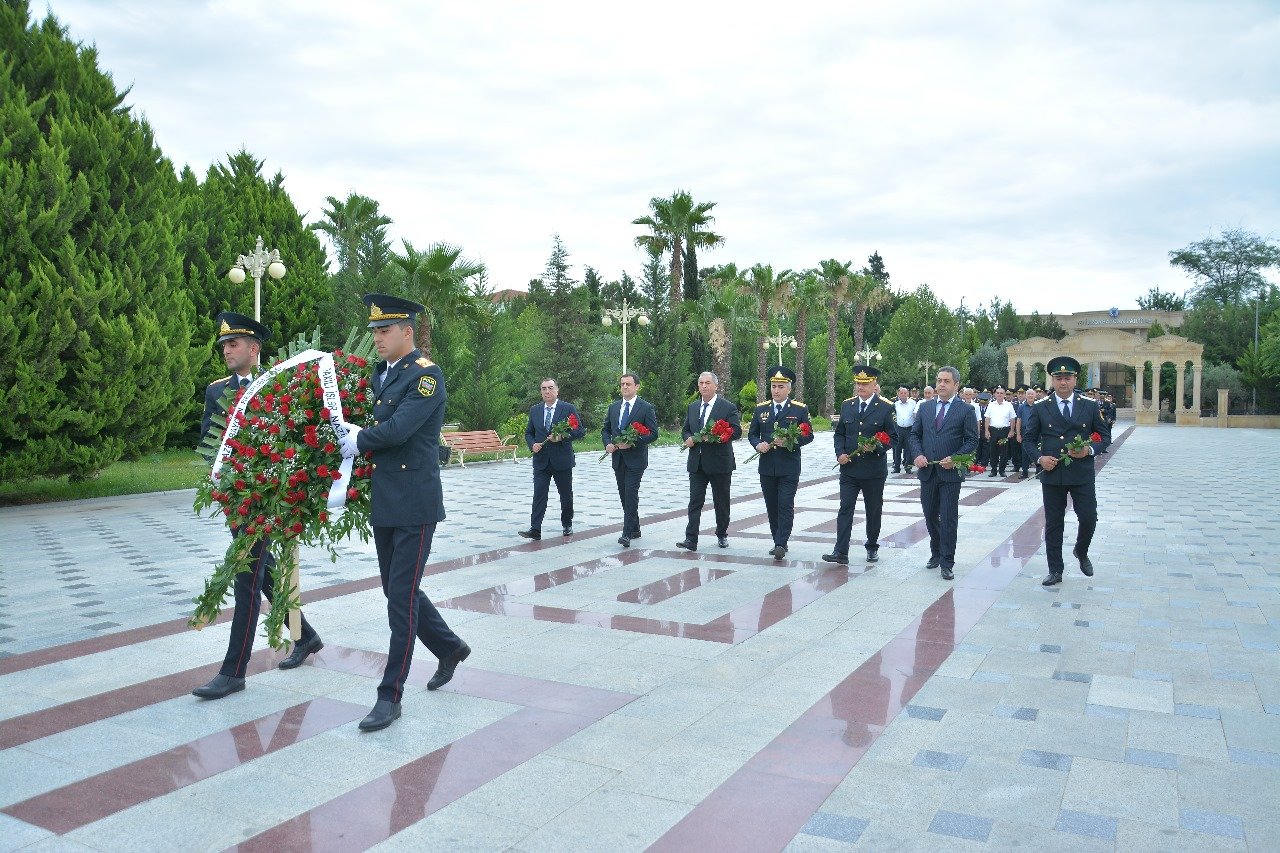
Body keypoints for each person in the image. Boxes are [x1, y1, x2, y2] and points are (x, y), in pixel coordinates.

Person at [338, 294, 469, 732]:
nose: (376, 338)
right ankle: (448, 647)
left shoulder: (426, 377)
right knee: (400, 591)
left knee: (400, 599)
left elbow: (396, 431)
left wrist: (356, 440)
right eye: (374, 331)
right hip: (386, 500)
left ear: (407, 332)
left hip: (414, 503)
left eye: (384, 331)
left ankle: (389, 695)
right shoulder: (382, 374)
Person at [192, 312, 324, 700]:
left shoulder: (279, 384)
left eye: (233, 344)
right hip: (238, 499)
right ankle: (308, 637)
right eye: (224, 346)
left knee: (245, 576)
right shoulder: (217, 390)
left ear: (254, 348)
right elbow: (208, 444)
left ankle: (233, 672)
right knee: (259, 569)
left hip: (271, 498)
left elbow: (296, 438)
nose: (227, 351)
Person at [1021, 356, 1111, 587]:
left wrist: (1089, 449)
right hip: (1053, 474)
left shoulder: (1089, 406)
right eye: (1058, 378)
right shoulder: (1041, 408)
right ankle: (1055, 569)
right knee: (1054, 522)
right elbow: (1028, 440)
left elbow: (1105, 436)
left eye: (1067, 378)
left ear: (1075, 379)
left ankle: (1081, 551)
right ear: (1052, 380)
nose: (1063, 382)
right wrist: (1040, 458)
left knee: (1089, 517)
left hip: (1081, 473)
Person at [908, 366, 978, 581]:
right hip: (928, 471)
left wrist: (956, 458)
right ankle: (936, 552)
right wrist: (917, 454)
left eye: (946, 381)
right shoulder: (926, 408)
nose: (941, 384)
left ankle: (947, 561)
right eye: (939, 380)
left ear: (956, 385)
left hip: (950, 474)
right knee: (930, 515)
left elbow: (972, 440)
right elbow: (914, 435)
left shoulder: (966, 410)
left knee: (948, 518)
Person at [824, 365, 895, 565]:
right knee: (845, 508)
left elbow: (893, 438)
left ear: (874, 385)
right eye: (858, 383)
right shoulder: (848, 405)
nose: (860, 387)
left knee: (873, 510)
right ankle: (841, 551)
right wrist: (840, 453)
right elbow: (840, 434)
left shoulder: (885, 407)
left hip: (873, 471)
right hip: (850, 470)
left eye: (865, 384)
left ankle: (872, 546)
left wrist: (877, 448)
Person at [747, 366, 814, 560]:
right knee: (772, 505)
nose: (776, 390)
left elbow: (808, 435)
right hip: (767, 466)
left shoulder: (799, 409)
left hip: (789, 466)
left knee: (785, 503)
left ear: (789, 389)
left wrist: (789, 442)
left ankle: (781, 543)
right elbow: (752, 434)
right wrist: (757, 444)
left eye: (780, 387)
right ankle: (777, 538)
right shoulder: (761, 409)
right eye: (774, 386)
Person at [676, 371, 742, 551]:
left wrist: (716, 436)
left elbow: (736, 431)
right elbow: (686, 429)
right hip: (697, 463)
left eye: (707, 383)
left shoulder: (727, 407)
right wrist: (688, 438)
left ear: (716, 386)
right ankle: (691, 539)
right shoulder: (693, 407)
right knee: (695, 501)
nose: (703, 386)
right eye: (701, 383)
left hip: (719, 463)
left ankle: (722, 534)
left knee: (721, 501)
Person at [518, 378, 585, 540]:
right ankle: (535, 528)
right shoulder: (535, 410)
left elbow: (580, 431)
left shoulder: (567, 408)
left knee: (565, 494)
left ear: (557, 390)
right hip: (541, 460)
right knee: (539, 494)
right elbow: (529, 433)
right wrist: (532, 444)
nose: (547, 391)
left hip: (561, 460)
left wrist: (562, 437)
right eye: (543, 389)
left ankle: (567, 524)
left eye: (550, 388)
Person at [602, 373, 659, 547]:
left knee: (630, 493)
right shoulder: (613, 407)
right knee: (623, 494)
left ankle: (626, 534)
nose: (624, 387)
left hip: (636, 459)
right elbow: (606, 430)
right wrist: (608, 443)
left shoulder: (645, 408)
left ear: (637, 387)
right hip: (618, 459)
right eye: (622, 384)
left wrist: (632, 442)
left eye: (628, 384)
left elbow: (653, 434)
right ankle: (635, 528)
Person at [984, 386, 1017, 477]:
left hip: (1004, 431)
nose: (999, 395)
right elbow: (987, 418)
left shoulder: (1009, 405)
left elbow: (1012, 419)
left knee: (1004, 452)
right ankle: (993, 470)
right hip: (993, 430)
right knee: (992, 451)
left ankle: (1002, 470)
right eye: (997, 393)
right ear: (994, 394)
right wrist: (986, 430)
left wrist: (1011, 431)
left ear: (1004, 395)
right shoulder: (991, 404)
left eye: (1001, 393)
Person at [892, 386, 917, 474]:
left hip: (909, 428)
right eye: (901, 393)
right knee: (897, 448)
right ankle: (896, 467)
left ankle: (908, 467)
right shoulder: (895, 404)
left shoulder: (913, 403)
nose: (903, 395)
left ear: (908, 394)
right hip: (899, 428)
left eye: (905, 393)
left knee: (908, 449)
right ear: (898, 394)